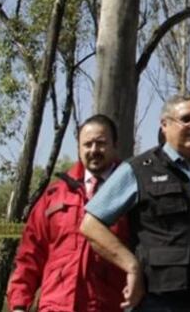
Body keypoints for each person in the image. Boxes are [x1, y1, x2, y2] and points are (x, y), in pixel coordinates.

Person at [81, 93, 190, 311]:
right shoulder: (139, 170)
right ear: (165, 125)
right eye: (186, 119)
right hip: (159, 300)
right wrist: (131, 266)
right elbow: (91, 225)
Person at [8, 115, 128, 312]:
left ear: (115, 145)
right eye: (87, 144)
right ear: (79, 148)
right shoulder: (55, 194)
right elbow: (30, 254)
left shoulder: (131, 191)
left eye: (101, 143)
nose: (94, 150)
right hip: (56, 305)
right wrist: (19, 304)